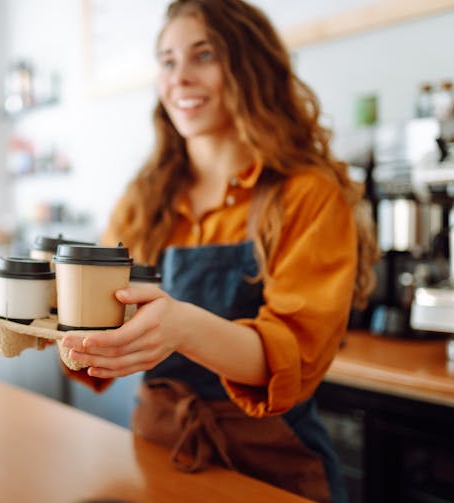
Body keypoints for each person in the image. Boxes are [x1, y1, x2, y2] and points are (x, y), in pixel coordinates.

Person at [60, 1, 378, 502]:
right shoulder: (143, 201)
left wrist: (181, 327)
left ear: (250, 66)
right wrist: (57, 324)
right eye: (167, 61)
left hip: (270, 467)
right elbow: (98, 329)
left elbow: (291, 358)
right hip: (158, 452)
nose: (179, 77)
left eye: (202, 55)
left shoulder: (306, 195)